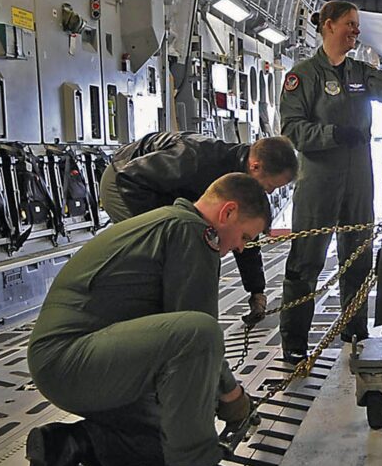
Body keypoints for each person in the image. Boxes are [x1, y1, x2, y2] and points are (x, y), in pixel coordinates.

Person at [26, 174, 275, 466]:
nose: (242, 246)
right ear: (227, 212)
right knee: (199, 332)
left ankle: (69, 445)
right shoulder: (192, 232)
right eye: (245, 235)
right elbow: (196, 334)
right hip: (73, 360)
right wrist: (233, 398)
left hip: (72, 363)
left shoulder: (168, 222)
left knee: (172, 435)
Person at [277, 0, 382, 363]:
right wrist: (333, 134)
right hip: (318, 181)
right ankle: (295, 342)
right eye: (350, 24)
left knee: (358, 258)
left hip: (359, 181)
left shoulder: (361, 73)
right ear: (329, 26)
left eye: (357, 25)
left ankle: (355, 330)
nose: (355, 31)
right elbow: (292, 129)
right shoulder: (302, 77)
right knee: (307, 262)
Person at [100, 132, 297, 323]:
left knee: (192, 245)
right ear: (255, 166)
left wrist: (256, 290)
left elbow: (243, 234)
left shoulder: (245, 181)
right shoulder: (199, 159)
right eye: (270, 185)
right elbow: (131, 177)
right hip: (124, 179)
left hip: (160, 190)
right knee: (168, 251)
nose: (269, 192)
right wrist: (165, 228)